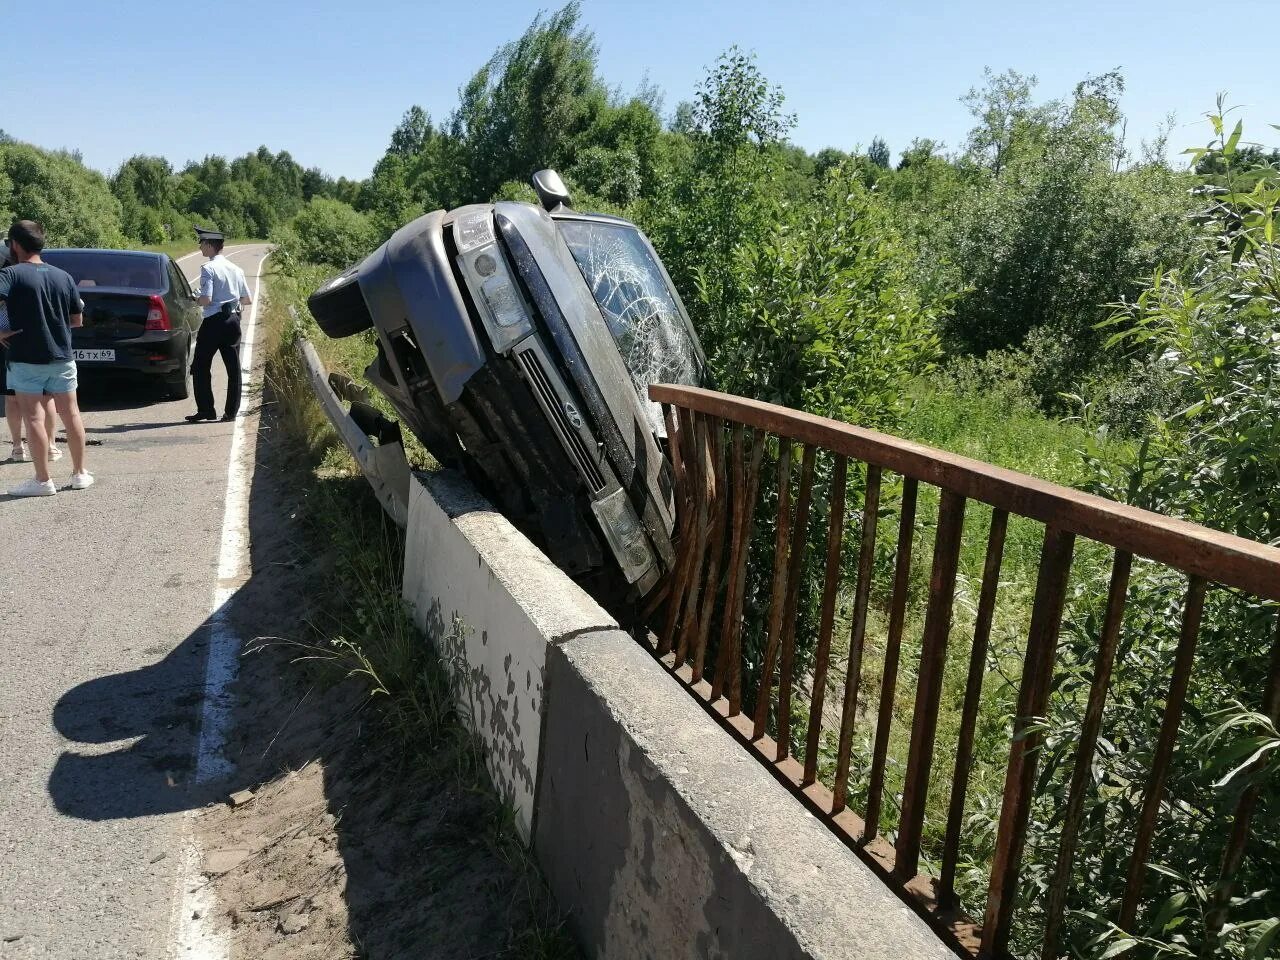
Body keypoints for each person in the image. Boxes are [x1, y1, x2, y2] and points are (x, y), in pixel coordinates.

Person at [0, 220, 92, 496]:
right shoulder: (62, 276)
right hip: (62, 356)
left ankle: (43, 481)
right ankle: (79, 473)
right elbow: (77, 319)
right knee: (72, 414)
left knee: (34, 418)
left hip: (26, 357)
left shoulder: (11, 275)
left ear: (15, 245)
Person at [0, 241, 59, 464]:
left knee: (14, 398)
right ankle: (49, 446)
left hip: (9, 339)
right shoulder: (42, 273)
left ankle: (18, 447)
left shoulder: (9, 276)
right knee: (45, 396)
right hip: (36, 340)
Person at [188, 226, 252, 423]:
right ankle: (231, 412)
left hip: (213, 322)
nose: (200, 248)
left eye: (201, 244)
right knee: (233, 368)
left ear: (209, 245)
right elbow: (247, 299)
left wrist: (196, 298)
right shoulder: (236, 269)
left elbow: (206, 299)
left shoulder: (208, 268)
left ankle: (207, 409)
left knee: (200, 366)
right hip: (233, 321)